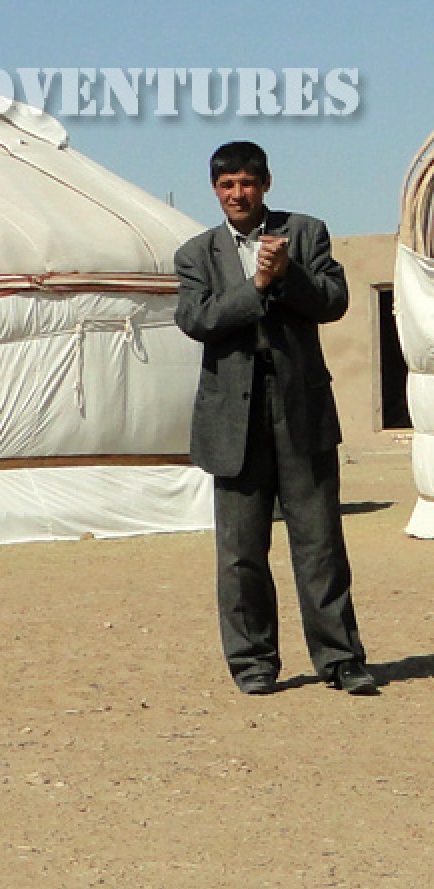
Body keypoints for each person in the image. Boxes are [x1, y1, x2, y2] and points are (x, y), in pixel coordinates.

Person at [174, 141, 374, 697]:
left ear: (266, 184)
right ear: (214, 190)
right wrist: (257, 286)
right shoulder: (196, 254)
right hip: (230, 417)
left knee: (320, 542)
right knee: (241, 551)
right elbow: (197, 318)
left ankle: (341, 659)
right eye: (227, 184)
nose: (238, 194)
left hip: (300, 407)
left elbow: (333, 301)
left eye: (247, 182)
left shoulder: (304, 234)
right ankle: (253, 662)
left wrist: (288, 276)